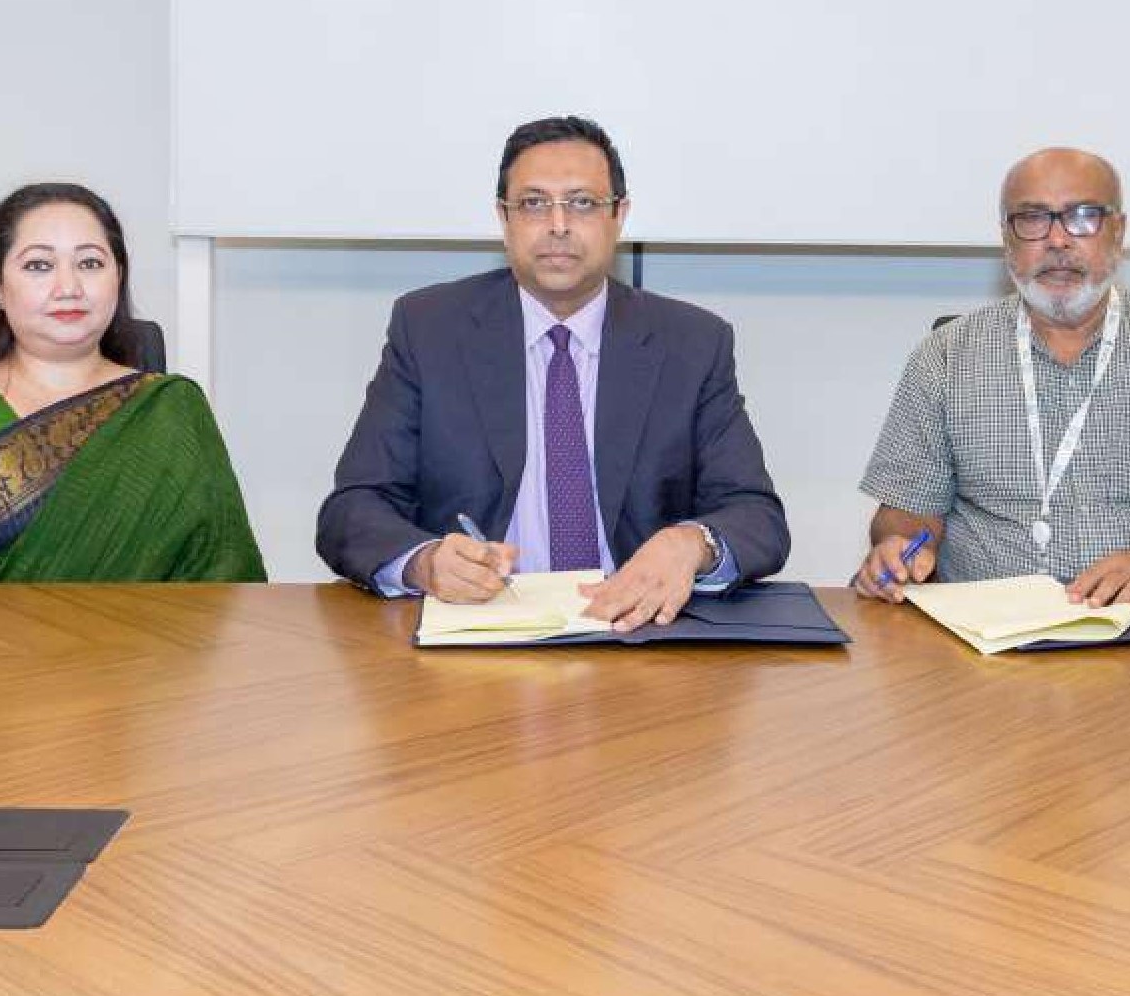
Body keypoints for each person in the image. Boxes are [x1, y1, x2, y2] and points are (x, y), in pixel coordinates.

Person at [316, 115, 790, 631]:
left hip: (638, 632)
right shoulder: (429, 329)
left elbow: (756, 517)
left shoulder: (691, 343)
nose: (559, 225)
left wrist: (691, 544)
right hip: (481, 636)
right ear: (505, 218)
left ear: (619, 216)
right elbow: (353, 509)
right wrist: (425, 562)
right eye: (534, 203)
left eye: (583, 203)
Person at [851, 147, 1130, 611]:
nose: (1058, 240)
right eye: (1032, 218)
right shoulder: (946, 356)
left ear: (1118, 232)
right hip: (986, 635)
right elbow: (905, 514)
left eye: (1083, 216)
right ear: (1007, 240)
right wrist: (899, 548)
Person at [0, 182, 264, 585]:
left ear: (118, 278)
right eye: (39, 265)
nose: (68, 288)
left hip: (141, 645)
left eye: (89, 263)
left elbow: (222, 583)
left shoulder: (170, 409)